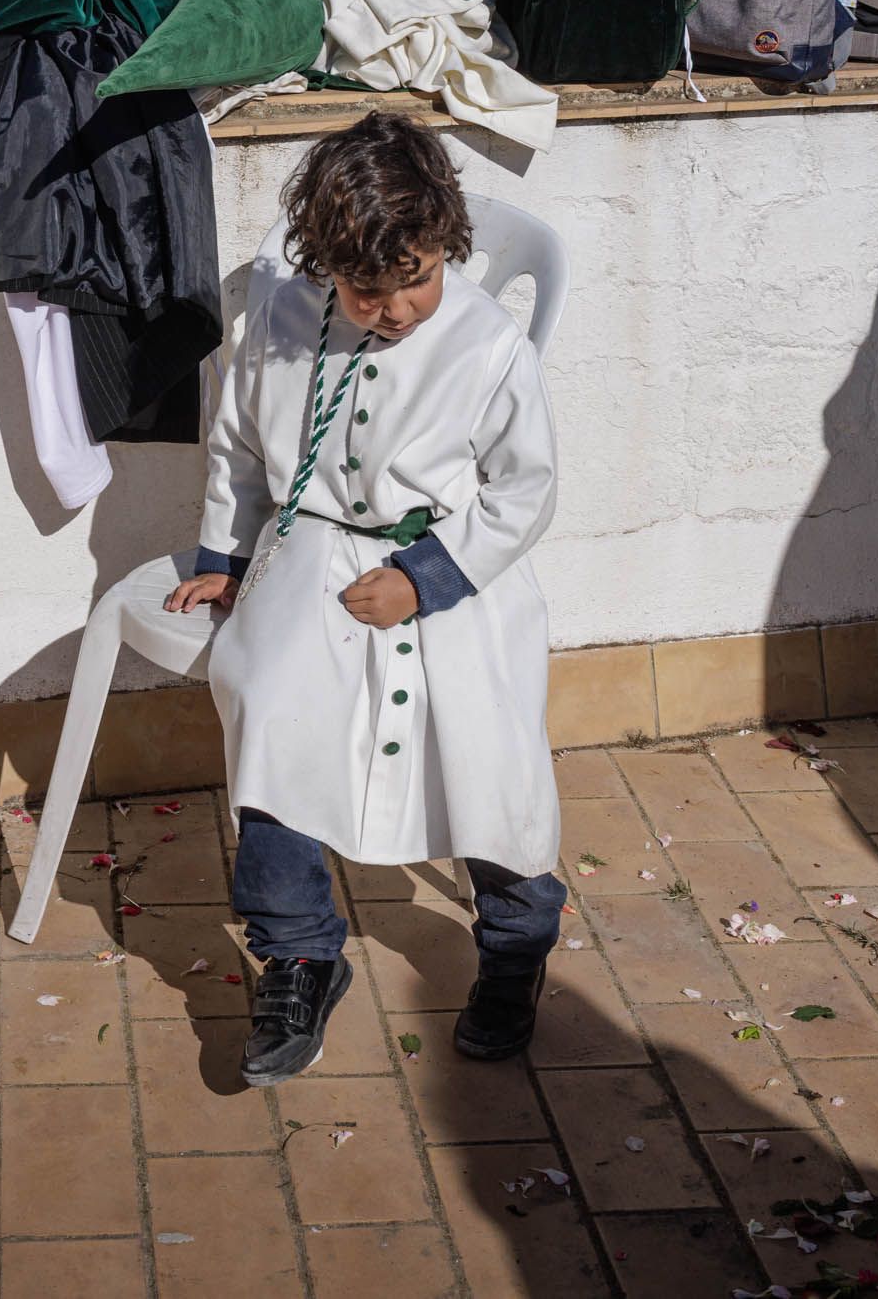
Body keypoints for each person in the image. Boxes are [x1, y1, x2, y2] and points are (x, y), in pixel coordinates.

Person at [168, 113, 564, 1083]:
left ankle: (513, 948)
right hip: (313, 550)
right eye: (366, 290)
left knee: (485, 752)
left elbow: (524, 488)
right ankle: (298, 951)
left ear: (447, 244)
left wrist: (424, 578)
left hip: (451, 563)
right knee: (271, 706)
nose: (392, 309)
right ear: (325, 264)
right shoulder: (279, 318)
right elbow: (237, 445)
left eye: (415, 280)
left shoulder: (485, 343)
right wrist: (223, 550)